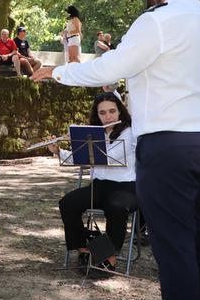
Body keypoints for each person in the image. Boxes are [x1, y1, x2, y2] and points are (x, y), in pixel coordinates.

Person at [32, 0, 200, 300]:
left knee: (173, 245)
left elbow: (111, 67)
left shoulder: (156, 22)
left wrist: (56, 73)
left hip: (170, 143)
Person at [50, 92, 138, 274]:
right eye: (103, 113)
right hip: (99, 185)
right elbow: (81, 158)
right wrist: (60, 150)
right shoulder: (94, 133)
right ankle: (86, 248)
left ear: (120, 112)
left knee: (116, 208)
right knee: (68, 203)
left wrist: (86, 140)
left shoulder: (130, 132)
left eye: (112, 111)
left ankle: (109, 258)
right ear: (97, 115)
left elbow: (110, 157)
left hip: (126, 187)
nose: (108, 117)